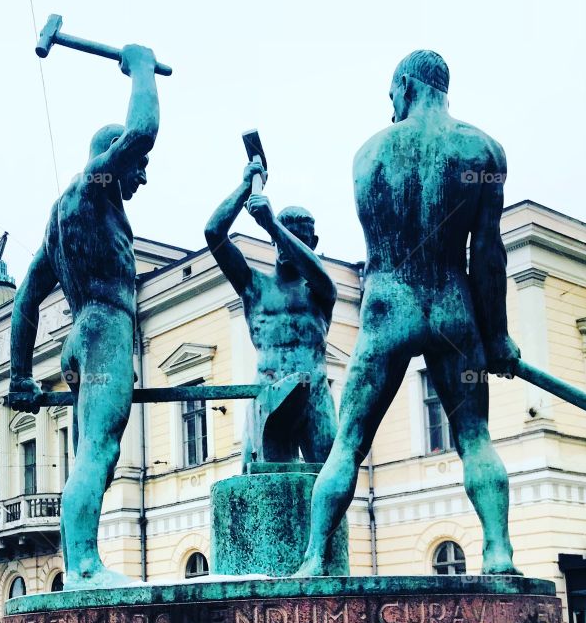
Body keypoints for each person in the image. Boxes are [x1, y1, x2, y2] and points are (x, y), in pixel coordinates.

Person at [298, 50, 519, 576]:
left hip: (386, 307)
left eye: (391, 92)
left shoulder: (368, 154)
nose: (391, 102)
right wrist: (498, 336)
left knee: (349, 443)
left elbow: (379, 241)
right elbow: (487, 254)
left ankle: (312, 561)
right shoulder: (483, 150)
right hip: (451, 305)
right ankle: (498, 551)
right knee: (474, 437)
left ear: (405, 84)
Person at [8, 44, 161, 590]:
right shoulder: (94, 189)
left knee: (89, 449)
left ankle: (77, 562)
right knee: (100, 445)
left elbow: (26, 298)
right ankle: (84, 567)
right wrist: (141, 68)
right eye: (136, 168)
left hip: (81, 333)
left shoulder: (58, 220)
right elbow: (142, 130)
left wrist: (21, 375)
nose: (141, 177)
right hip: (105, 329)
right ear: (112, 158)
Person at [205, 163, 338, 466]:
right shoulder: (255, 286)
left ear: (312, 244)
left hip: (313, 394)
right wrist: (244, 188)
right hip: (267, 391)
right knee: (258, 482)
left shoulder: (319, 289)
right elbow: (214, 233)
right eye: (280, 237)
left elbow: (323, 279)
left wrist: (273, 225)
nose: (285, 244)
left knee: (331, 483)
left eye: (298, 239)